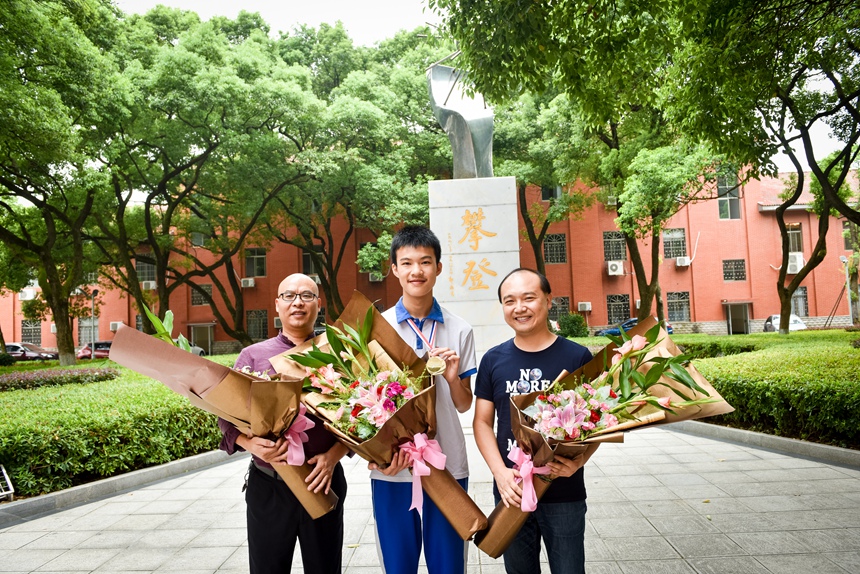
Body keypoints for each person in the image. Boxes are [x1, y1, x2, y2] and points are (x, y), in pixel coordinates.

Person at [217, 273, 350, 574]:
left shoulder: (337, 355)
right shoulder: (253, 357)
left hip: (322, 480)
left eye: (306, 296)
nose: (297, 302)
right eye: (289, 296)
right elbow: (226, 416)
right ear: (277, 304)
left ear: (319, 304)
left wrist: (332, 458)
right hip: (269, 486)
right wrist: (249, 443)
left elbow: (358, 419)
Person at [473, 268, 599, 574]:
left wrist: (580, 461)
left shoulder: (577, 357)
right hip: (512, 489)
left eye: (528, 298)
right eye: (510, 301)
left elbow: (598, 422)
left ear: (548, 300)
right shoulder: (493, 360)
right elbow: (482, 422)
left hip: (563, 488)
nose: (519, 308)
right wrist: (499, 473)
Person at [368, 225, 478, 574]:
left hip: (447, 462)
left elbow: (464, 404)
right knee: (398, 565)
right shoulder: (376, 328)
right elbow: (363, 402)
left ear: (438, 268)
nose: (417, 271)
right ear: (394, 269)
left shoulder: (460, 329)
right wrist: (375, 455)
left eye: (425, 262)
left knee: (448, 565)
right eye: (407, 263)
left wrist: (452, 378)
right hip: (394, 466)